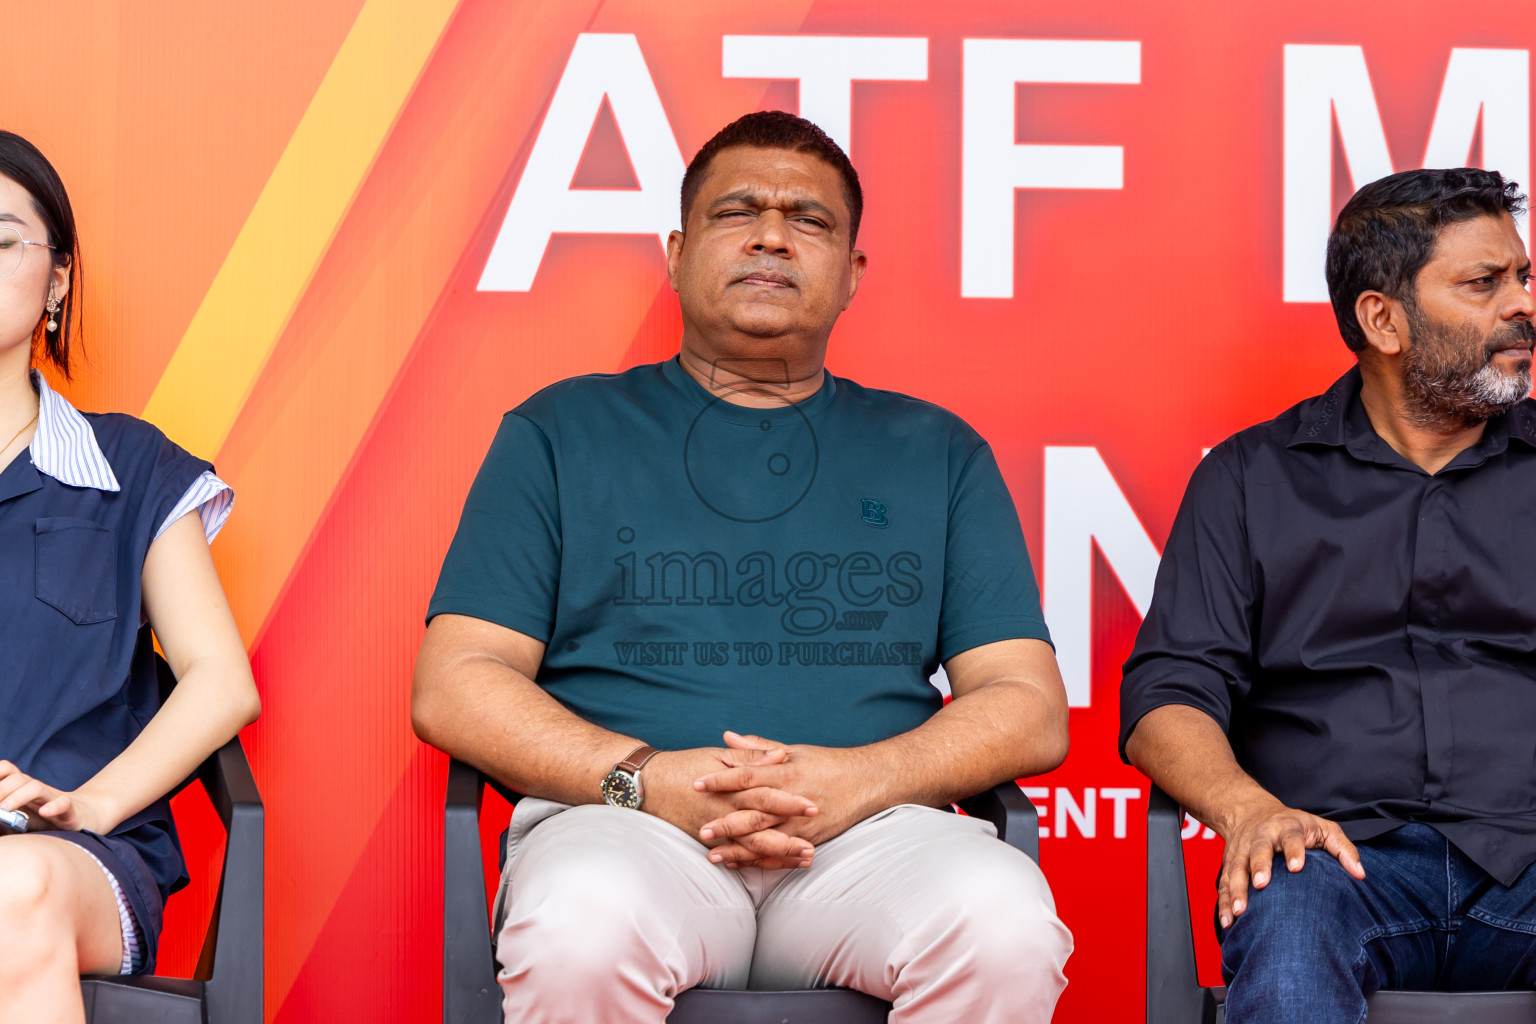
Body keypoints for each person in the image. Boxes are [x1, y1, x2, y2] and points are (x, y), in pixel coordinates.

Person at [413, 111, 1072, 1023]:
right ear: (677, 254)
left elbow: (1029, 705)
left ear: (852, 275)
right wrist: (647, 778)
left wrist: (857, 781)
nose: (771, 234)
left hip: (869, 840)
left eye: (809, 219)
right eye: (738, 213)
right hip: (630, 829)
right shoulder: (560, 432)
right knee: (579, 928)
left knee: (1004, 925)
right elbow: (456, 684)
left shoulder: (937, 451)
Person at [1121, 167, 1536, 1023]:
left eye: (1523, 278)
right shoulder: (1250, 479)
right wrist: (1250, 811)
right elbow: (1167, 693)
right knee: (1292, 907)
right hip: (1344, 864)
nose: (1520, 305)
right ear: (1382, 319)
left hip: (1530, 860)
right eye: (1483, 283)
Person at [0, 132, 260, 1023]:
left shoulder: (133, 468)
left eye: (0, 240)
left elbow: (222, 682)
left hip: (62, 859)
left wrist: (88, 803)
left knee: (13, 888)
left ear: (58, 278)